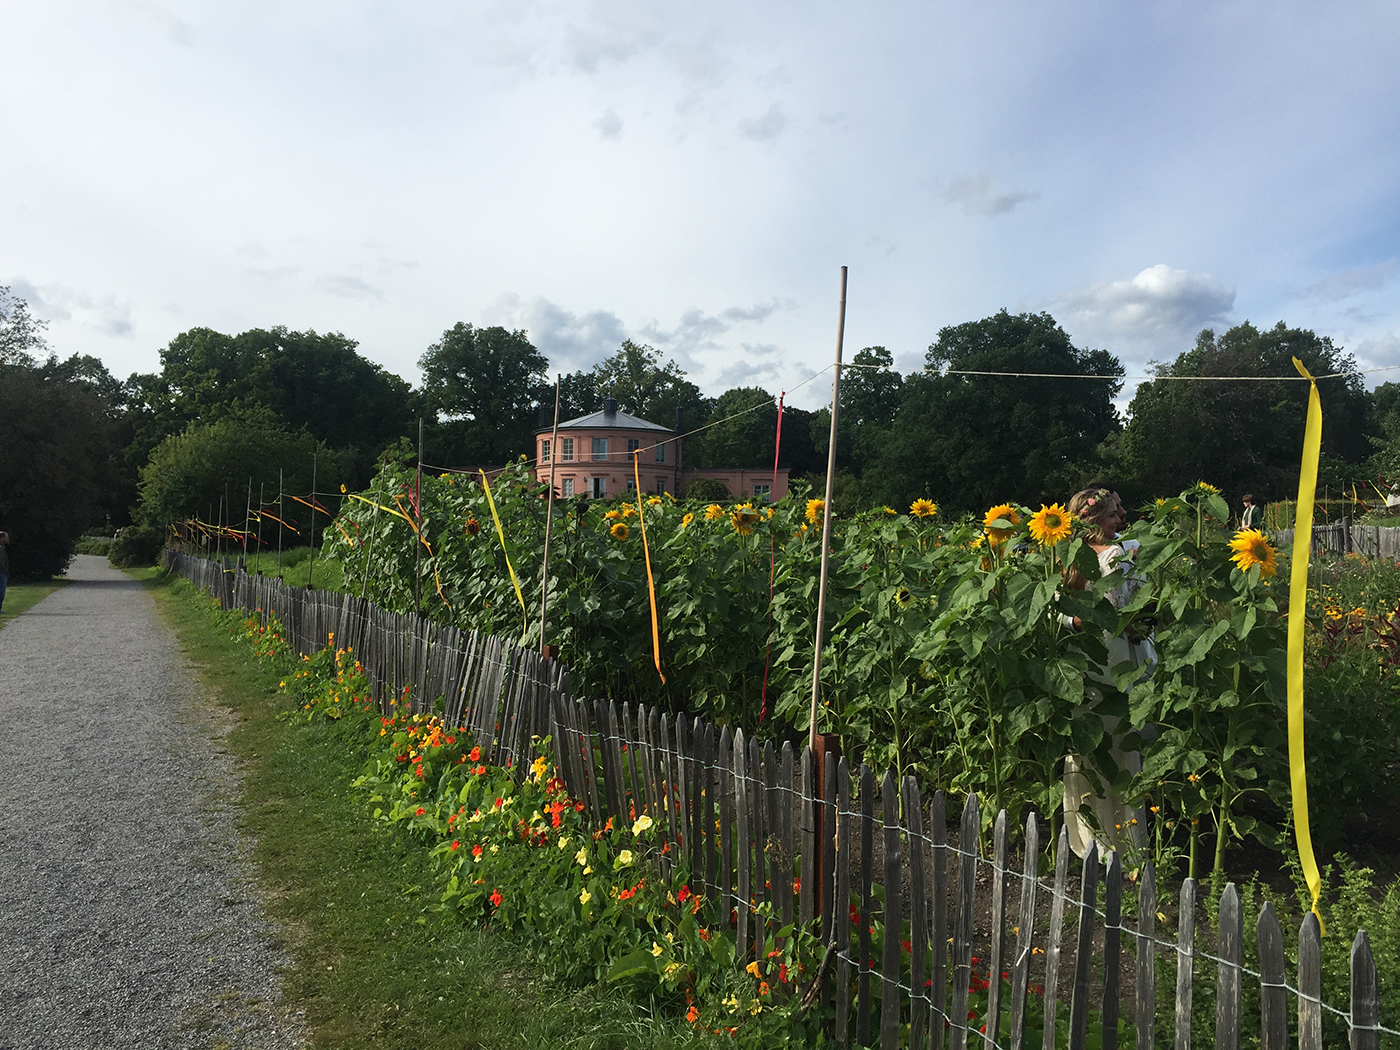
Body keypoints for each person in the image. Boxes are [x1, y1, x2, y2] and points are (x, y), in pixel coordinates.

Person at [1060, 487, 1154, 860]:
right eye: (1114, 513)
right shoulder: (1099, 556)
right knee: (1109, 750)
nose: (1122, 517)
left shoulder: (1105, 553)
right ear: (1094, 521)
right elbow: (1124, 613)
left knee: (1101, 751)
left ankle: (1098, 841)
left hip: (1100, 660)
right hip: (1107, 661)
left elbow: (1139, 599)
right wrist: (1079, 620)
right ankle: (1118, 844)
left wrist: (1078, 623)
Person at [0, 531, 9, 614]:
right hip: (1, 572)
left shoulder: (2, 548)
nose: (8, 539)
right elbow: (2, 562)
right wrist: (5, 570)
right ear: (1, 538)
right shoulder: (0, 549)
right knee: (1, 592)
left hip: (2, 572)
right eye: (6, 537)